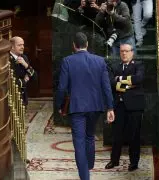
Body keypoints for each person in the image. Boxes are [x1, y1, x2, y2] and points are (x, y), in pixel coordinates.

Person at [55, 32, 115, 180]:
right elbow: (106, 86)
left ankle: (85, 176)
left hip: (77, 107)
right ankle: (89, 166)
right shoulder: (100, 61)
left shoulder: (67, 61)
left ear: (74, 46)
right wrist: (110, 107)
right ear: (87, 44)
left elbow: (62, 88)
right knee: (89, 136)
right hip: (95, 106)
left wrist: (58, 105)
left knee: (79, 141)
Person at [105, 43, 144, 171]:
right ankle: (114, 160)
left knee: (134, 135)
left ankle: (134, 162)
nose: (124, 54)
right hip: (119, 105)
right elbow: (111, 82)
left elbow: (138, 79)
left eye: (127, 51)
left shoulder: (138, 65)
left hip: (134, 106)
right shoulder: (115, 66)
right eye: (122, 51)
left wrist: (119, 79)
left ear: (132, 52)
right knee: (117, 135)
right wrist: (128, 85)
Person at [9, 36, 37, 106]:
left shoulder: (24, 57)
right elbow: (12, 82)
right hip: (12, 98)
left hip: (23, 98)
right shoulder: (7, 59)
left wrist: (26, 65)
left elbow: (34, 77)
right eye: (19, 45)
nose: (22, 47)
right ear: (12, 47)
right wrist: (25, 80)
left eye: (23, 45)